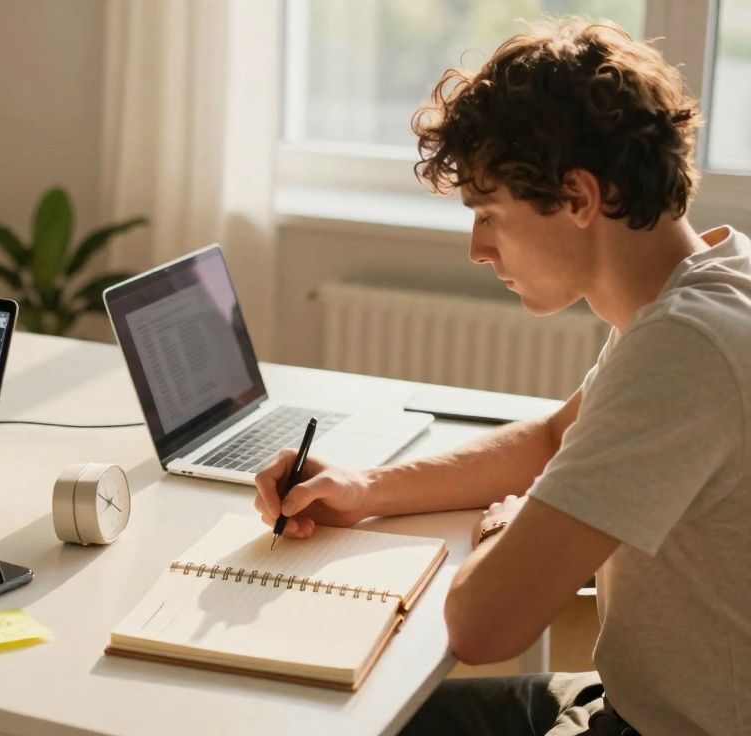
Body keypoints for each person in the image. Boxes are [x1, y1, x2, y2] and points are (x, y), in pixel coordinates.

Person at [254, 18, 749, 736]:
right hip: (627, 699)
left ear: (578, 198)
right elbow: (554, 439)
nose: (478, 249)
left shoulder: (686, 345)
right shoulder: (705, 283)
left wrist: (505, 532)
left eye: (490, 214)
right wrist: (364, 491)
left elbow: (485, 625)